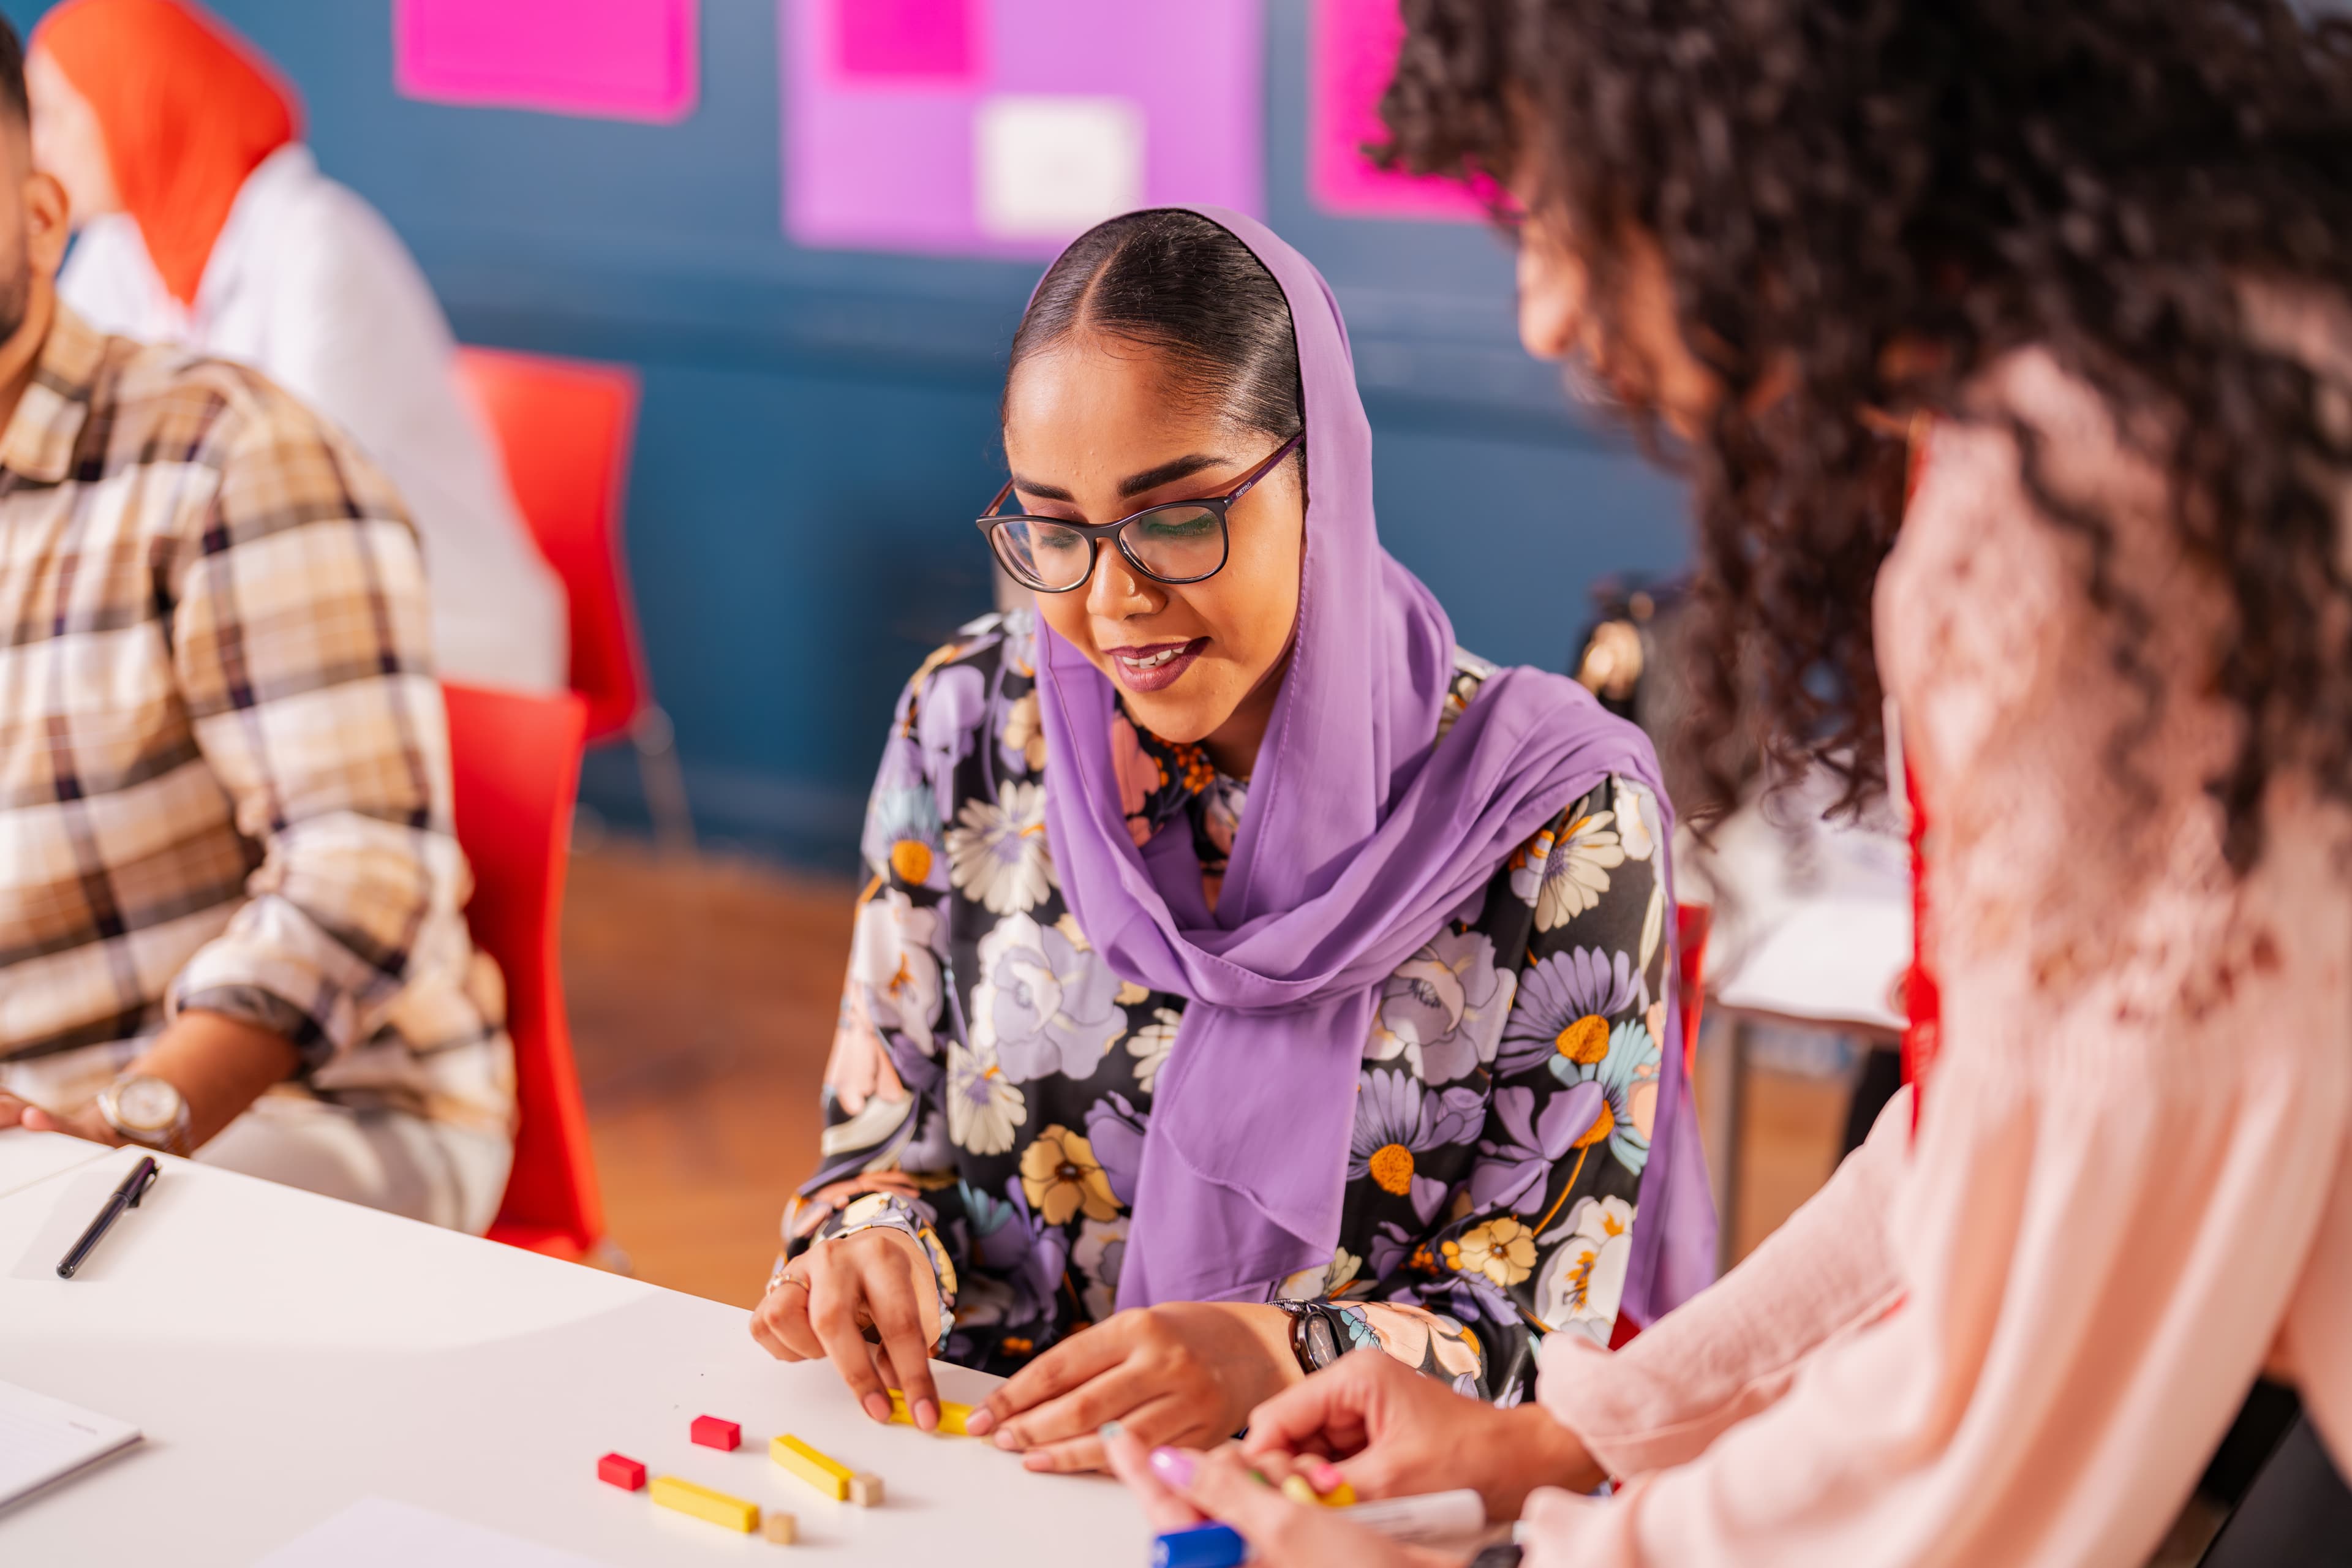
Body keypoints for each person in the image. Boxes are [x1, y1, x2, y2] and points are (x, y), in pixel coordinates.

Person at [1107, 1, 2352, 1564]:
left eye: (1558, 211)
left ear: (1744, 133)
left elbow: (1997, 1408)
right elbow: (2000, 1136)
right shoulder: (2208, 333)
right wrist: (1580, 1434)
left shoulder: (2077, 506)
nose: (1547, 315)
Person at [750, 206, 1717, 1467]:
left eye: (1175, 515)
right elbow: (880, 1145)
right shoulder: (972, 722)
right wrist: (865, 1238)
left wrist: (1275, 1353)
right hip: (983, 1483)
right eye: (1056, 528)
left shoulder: (1559, 824)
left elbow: (1546, 1339)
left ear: (1326, 481)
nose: (1111, 599)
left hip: (1339, 1521)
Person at [0, 12, 514, 1234]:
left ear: (36, 220)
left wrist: (117, 1128)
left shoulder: (238, 451)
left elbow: (362, 870)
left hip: (289, 1102)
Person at [23, 0, 566, 695]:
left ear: (139, 104)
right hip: (247, 621)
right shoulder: (118, 252)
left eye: (58, 115)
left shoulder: (317, 246)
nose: (40, 149)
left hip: (430, 635)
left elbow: (291, 505)